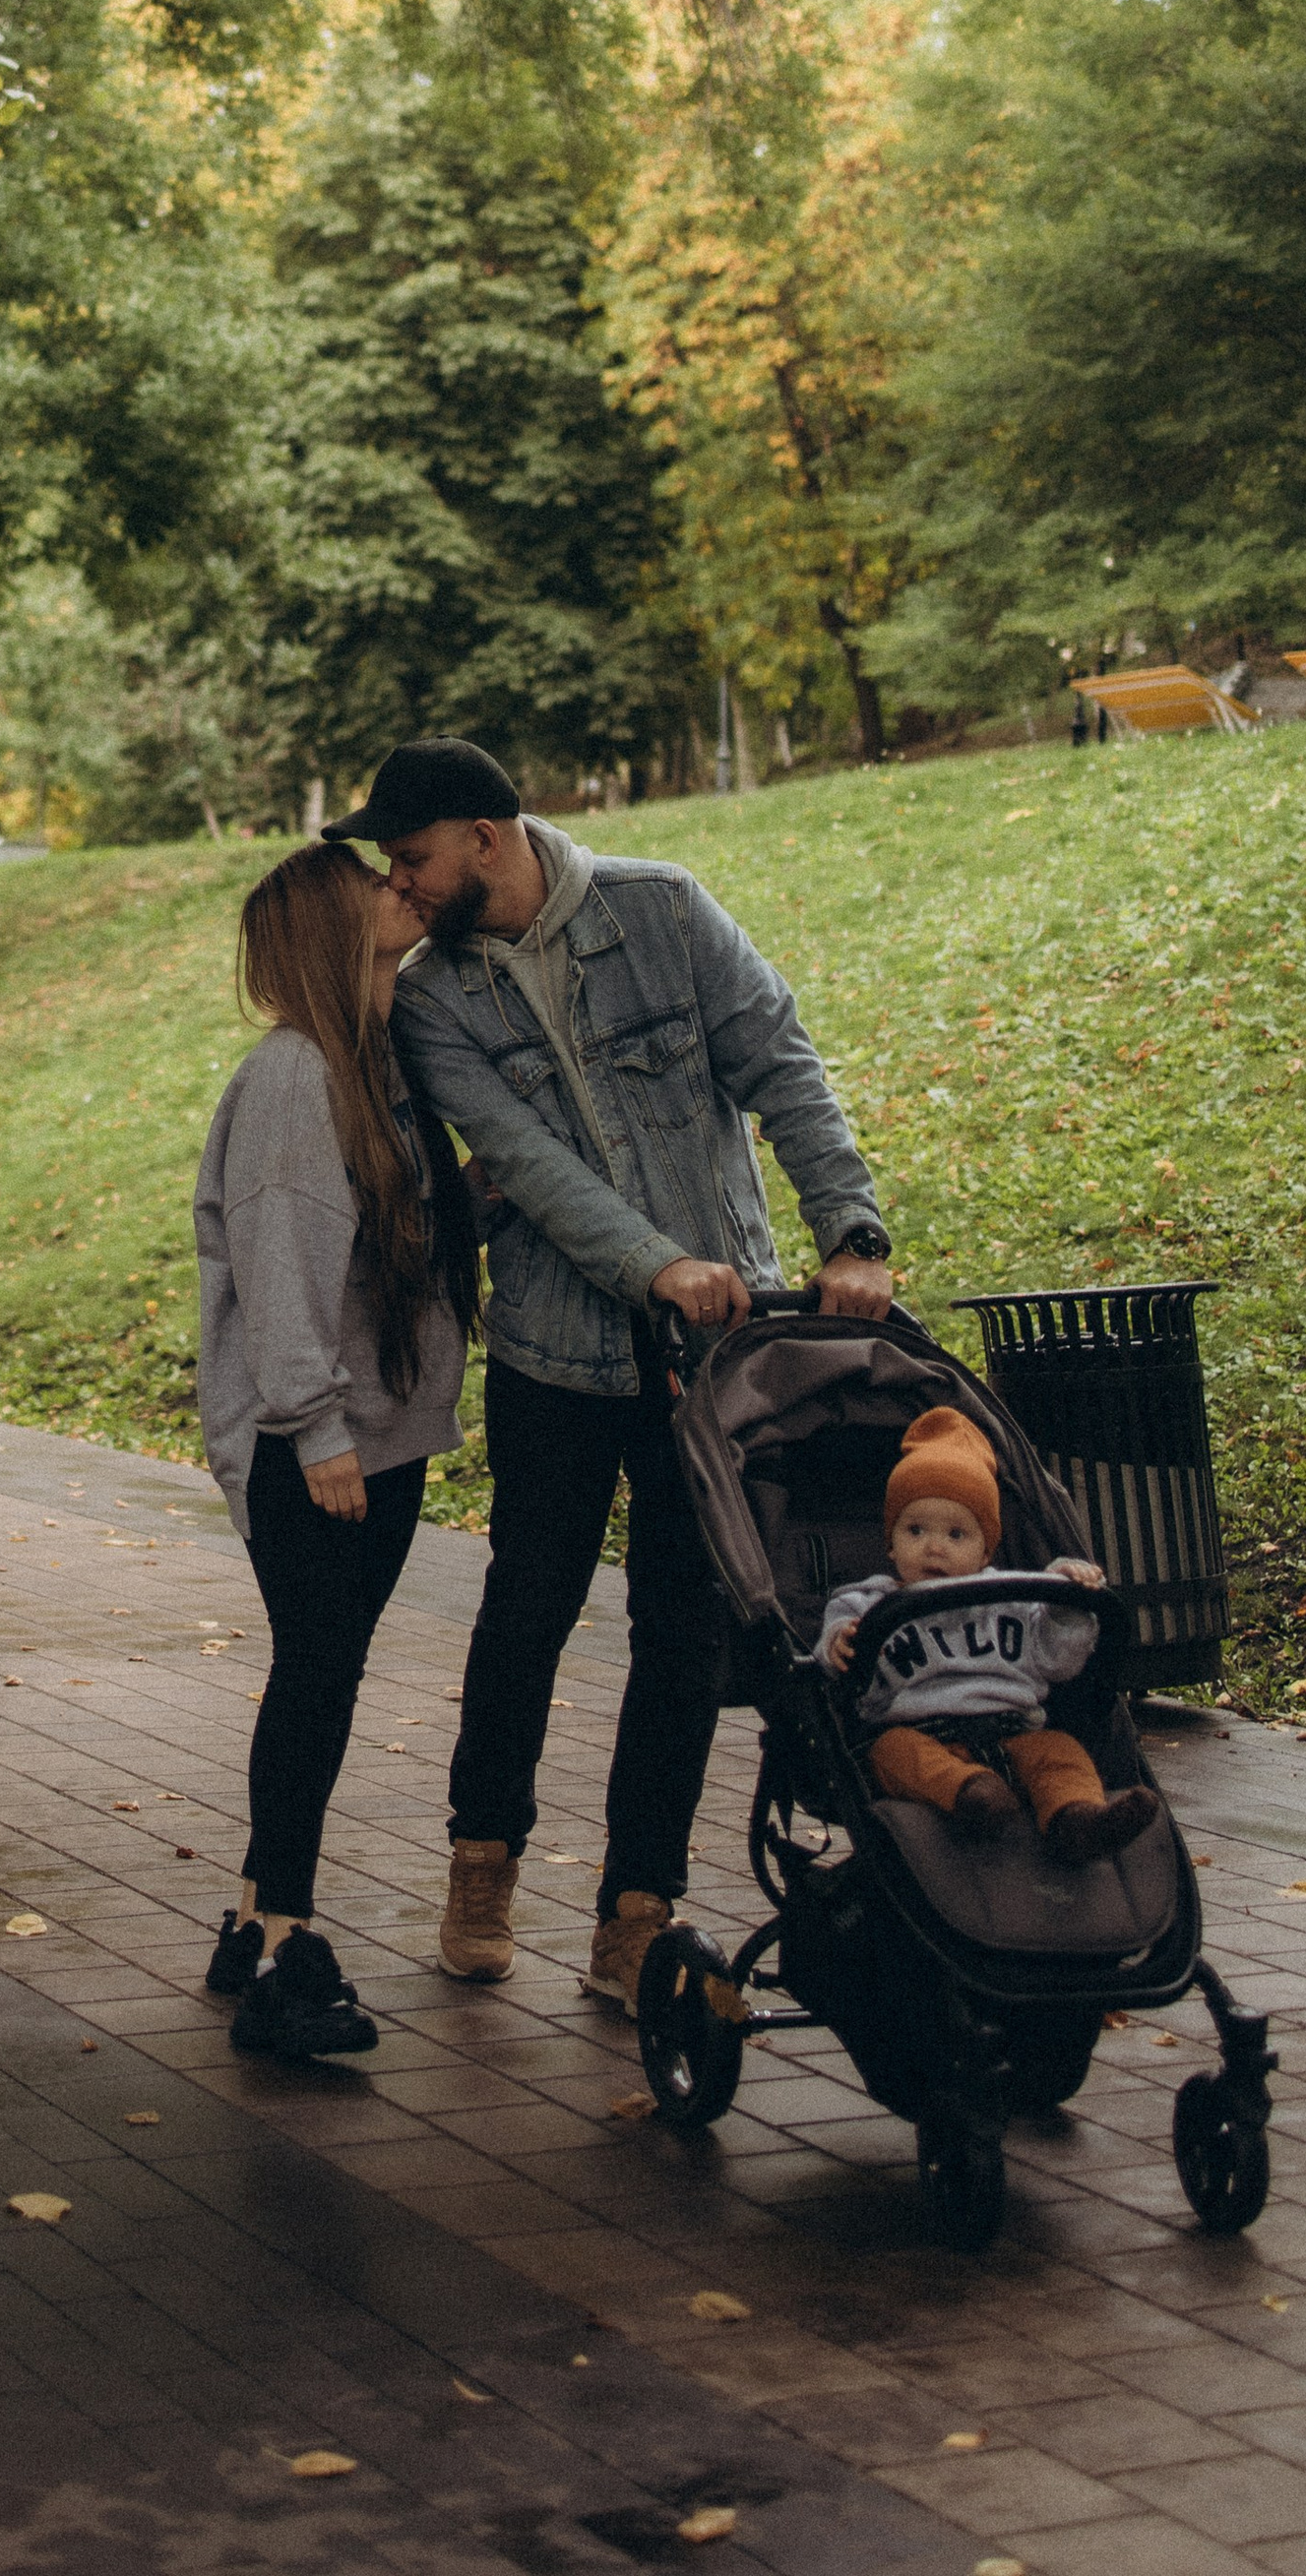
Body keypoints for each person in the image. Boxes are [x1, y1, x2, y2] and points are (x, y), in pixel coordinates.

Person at [350, 733, 896, 2014]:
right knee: (528, 1607)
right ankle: (481, 1860)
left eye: (414, 855)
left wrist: (851, 1232)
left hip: (716, 1363)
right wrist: (656, 1263)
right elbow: (525, 1163)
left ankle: (635, 1913)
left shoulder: (664, 909)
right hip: (556, 1354)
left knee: (683, 1627)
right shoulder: (433, 996)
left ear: (487, 835)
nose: (403, 882)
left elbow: (784, 1064)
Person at [194, 840, 479, 2061]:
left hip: (377, 1428)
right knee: (316, 1670)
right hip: (312, 1440)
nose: (393, 888)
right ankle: (284, 1957)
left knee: (328, 1668)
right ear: (328, 922)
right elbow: (280, 1271)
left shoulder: (371, 1065)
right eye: (373, 878)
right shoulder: (293, 1077)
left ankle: (253, 1915)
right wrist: (315, 1430)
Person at [820, 1408, 1159, 1861]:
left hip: (1014, 1730)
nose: (934, 1546)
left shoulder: (1009, 1597)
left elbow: (1061, 1663)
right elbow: (833, 1653)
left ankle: (1079, 1820)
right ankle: (975, 1797)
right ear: (890, 1542)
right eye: (915, 1529)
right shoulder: (868, 1603)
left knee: (1061, 1751)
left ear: (986, 1551)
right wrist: (837, 1643)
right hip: (920, 1732)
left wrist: (1064, 1603)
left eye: (956, 1534)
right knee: (891, 1753)